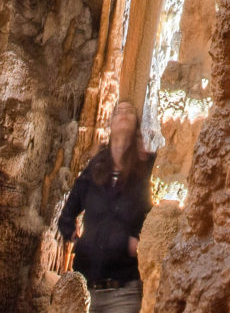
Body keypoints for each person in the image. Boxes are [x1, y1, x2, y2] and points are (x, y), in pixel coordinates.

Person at [49, 99, 153, 311]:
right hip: (88, 286)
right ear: (111, 123)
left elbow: (156, 216)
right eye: (118, 111)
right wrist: (79, 241)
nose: (123, 113)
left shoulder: (146, 167)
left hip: (125, 289)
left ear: (136, 125)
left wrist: (138, 241)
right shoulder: (94, 169)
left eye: (130, 111)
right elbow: (67, 214)